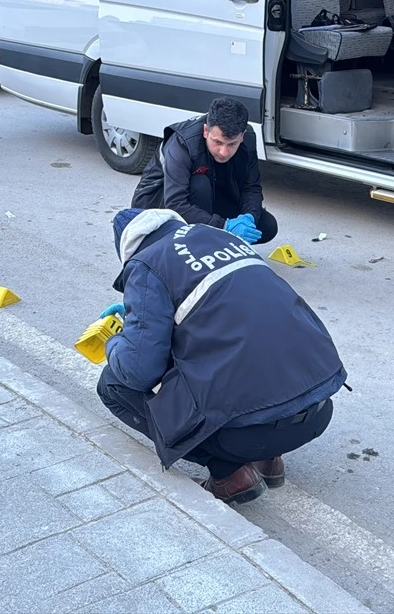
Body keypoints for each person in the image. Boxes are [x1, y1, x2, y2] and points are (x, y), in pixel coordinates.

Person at [95, 207, 348, 504]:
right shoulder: (222, 238)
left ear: (127, 250)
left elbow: (139, 370)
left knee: (113, 384)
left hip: (250, 435)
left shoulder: (146, 264)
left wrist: (115, 342)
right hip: (318, 409)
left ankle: (230, 472)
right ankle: (269, 460)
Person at [131, 97, 278, 247]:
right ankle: (202, 245)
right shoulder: (182, 143)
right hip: (159, 205)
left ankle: (213, 240)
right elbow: (175, 203)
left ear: (242, 136)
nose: (223, 152)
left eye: (232, 144)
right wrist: (224, 225)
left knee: (267, 226)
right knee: (200, 183)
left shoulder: (248, 142)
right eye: (218, 142)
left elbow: (251, 187)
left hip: (209, 197)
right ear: (206, 131)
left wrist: (249, 217)